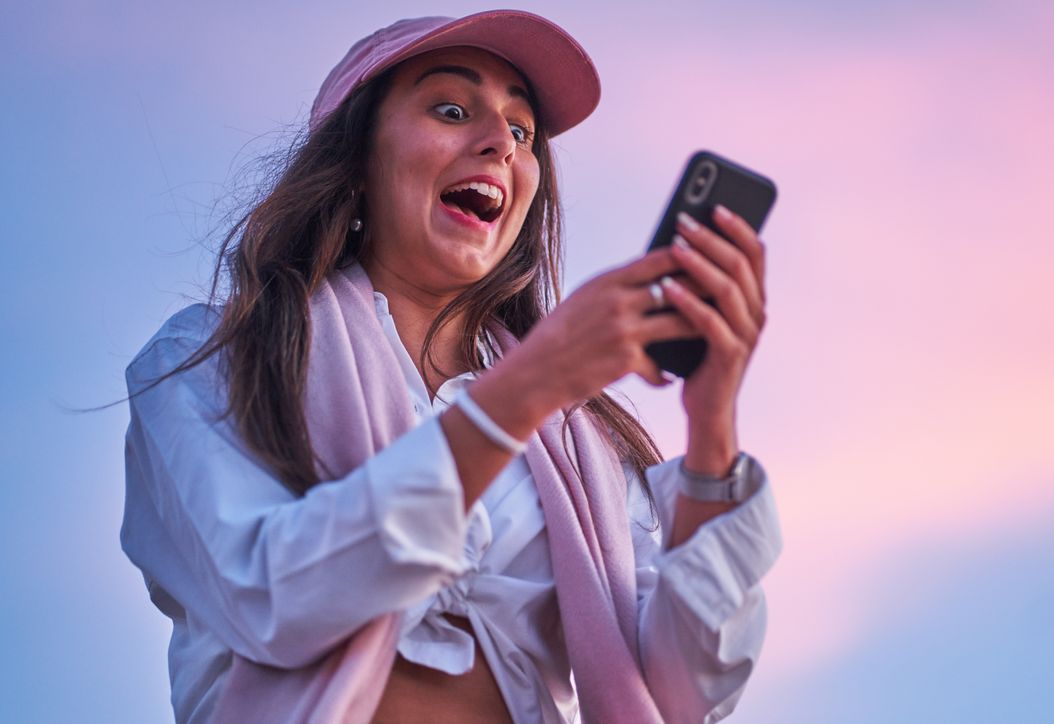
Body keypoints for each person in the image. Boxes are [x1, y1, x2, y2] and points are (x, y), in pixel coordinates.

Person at [120, 9, 782, 724]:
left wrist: (712, 423)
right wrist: (525, 391)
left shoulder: (578, 440)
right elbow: (272, 596)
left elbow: (679, 699)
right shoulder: (216, 355)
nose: (499, 142)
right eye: (451, 108)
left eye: (523, 132)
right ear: (355, 161)